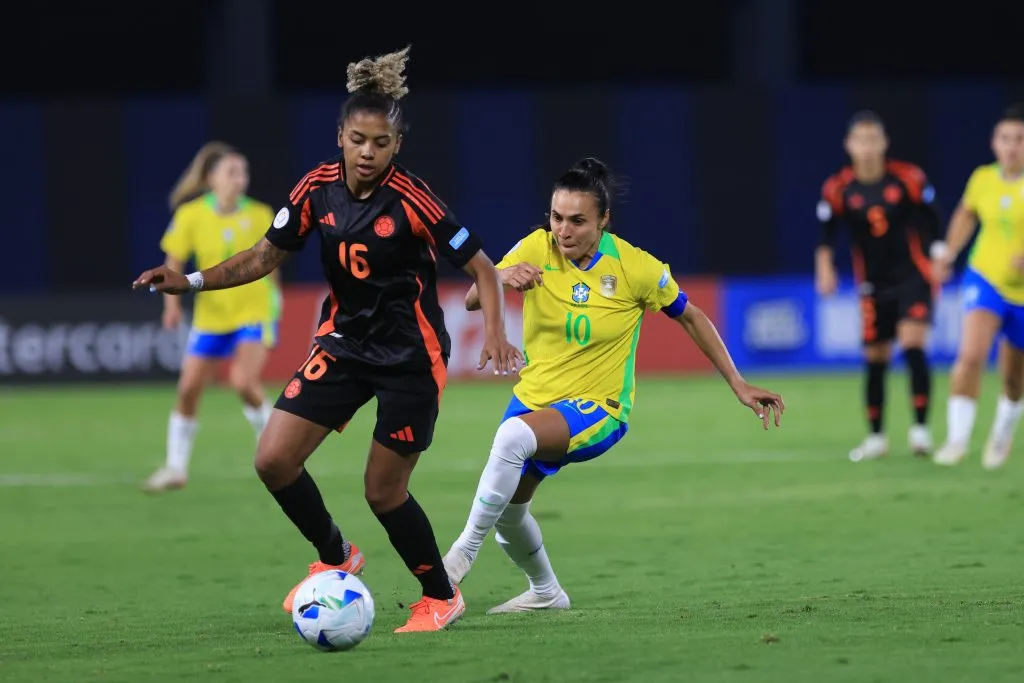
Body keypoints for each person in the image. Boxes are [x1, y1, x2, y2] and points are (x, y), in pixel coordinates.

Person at [133, 46, 520, 632]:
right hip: (342, 345)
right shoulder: (316, 189)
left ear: (396, 146)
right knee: (273, 459)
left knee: (383, 492)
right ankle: (337, 556)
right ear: (340, 136)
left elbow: (483, 268)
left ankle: (441, 596)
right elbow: (263, 256)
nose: (367, 152)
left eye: (380, 143)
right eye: (357, 139)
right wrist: (188, 281)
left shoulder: (413, 198)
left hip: (409, 359)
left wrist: (494, 331)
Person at [442, 157, 785, 613]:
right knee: (507, 514)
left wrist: (737, 383)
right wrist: (500, 276)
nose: (563, 231)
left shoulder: (633, 267)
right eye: (556, 217)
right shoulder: (535, 247)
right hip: (534, 400)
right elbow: (472, 297)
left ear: (603, 219)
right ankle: (546, 592)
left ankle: (457, 558)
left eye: (577, 221)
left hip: (598, 408)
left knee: (510, 438)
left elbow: (691, 316)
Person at [144, 142, 281, 492]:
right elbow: (174, 261)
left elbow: (272, 264)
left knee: (243, 381)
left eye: (243, 172)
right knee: (188, 388)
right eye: (231, 172)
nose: (240, 179)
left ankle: (276, 450)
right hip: (211, 317)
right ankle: (176, 468)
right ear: (211, 179)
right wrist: (171, 307)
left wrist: (275, 306)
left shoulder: (260, 213)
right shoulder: (191, 215)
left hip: (253, 311)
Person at [815, 110, 942, 462]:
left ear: (884, 143)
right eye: (861, 141)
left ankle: (920, 431)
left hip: (913, 276)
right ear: (849, 145)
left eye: (873, 140)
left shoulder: (908, 178)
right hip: (872, 282)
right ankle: (876, 437)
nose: (868, 148)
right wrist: (824, 268)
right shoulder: (838, 188)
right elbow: (826, 236)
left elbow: (933, 219)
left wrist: (939, 255)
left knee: (913, 343)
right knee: (875, 357)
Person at [932, 104, 1024, 470]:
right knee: (970, 356)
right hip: (985, 278)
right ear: (994, 143)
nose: (1012, 146)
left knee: (1014, 379)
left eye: (1019, 139)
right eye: (1005, 138)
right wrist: (949, 252)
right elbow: (966, 213)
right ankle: (957, 441)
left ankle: (1002, 433)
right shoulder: (983, 179)